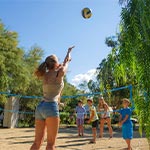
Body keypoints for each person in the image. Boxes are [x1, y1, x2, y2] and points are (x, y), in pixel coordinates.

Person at [30, 46, 75, 150]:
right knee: (50, 144)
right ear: (55, 63)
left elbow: (64, 62)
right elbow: (66, 63)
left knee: (37, 142)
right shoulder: (59, 73)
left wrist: (68, 52)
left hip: (40, 107)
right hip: (51, 107)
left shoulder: (45, 74)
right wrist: (68, 57)